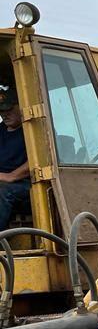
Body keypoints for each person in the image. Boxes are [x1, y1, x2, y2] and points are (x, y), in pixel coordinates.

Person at [0, 85, 30, 231]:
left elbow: (41, 160)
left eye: (9, 110)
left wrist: (11, 176)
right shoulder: (1, 130)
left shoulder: (34, 129)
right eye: (2, 111)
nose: (5, 114)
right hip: (3, 180)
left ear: (22, 106)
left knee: (2, 191)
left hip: (26, 185)